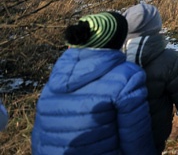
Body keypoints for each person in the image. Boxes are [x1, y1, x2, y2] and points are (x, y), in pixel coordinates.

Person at [31, 11, 155, 154]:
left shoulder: (59, 71)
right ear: (116, 41)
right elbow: (136, 140)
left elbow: (38, 135)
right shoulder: (127, 77)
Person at [123, 2, 178, 153]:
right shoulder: (170, 59)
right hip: (154, 133)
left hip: (118, 131)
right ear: (157, 27)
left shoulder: (113, 55)